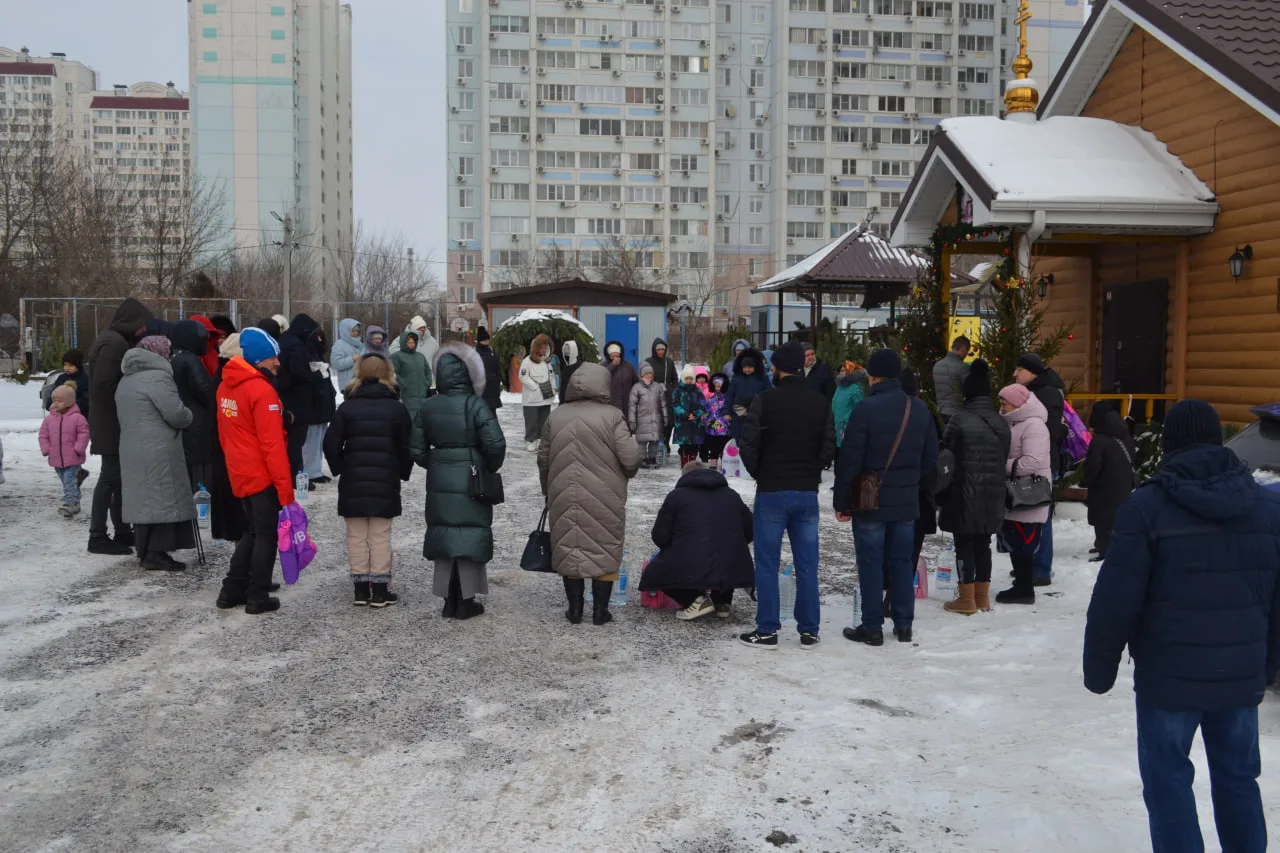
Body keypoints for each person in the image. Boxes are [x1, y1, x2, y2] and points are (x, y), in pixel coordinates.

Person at [1083, 400, 1280, 853]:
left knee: (1168, 783)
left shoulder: (1146, 509)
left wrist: (1099, 669)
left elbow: (1115, 600)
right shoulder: (1267, 510)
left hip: (1167, 682)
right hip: (1238, 679)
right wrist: (1265, 666)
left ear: (1170, 445)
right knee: (1238, 780)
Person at [834, 350, 938, 645]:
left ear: (873, 376)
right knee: (902, 562)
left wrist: (842, 502)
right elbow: (931, 458)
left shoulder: (866, 410)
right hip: (906, 500)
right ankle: (904, 625)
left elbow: (849, 461)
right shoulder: (918, 409)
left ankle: (872, 626)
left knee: (870, 562)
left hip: (869, 499)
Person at [738, 342, 837, 650]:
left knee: (767, 562)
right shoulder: (820, 403)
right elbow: (829, 445)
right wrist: (812, 470)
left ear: (779, 369)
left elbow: (748, 444)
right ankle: (809, 630)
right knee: (807, 563)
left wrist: (761, 473)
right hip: (806, 492)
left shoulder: (765, 400)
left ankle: (767, 629)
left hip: (772, 491)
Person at [538, 362, 642, 626]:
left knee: (570, 546)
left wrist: (548, 490)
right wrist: (624, 475)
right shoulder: (613, 416)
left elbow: (544, 459)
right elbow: (630, 459)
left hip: (562, 492)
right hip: (605, 494)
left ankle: (574, 611)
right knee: (604, 545)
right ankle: (600, 612)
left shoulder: (557, 415)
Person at [412, 343, 507, 620]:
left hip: (440, 476)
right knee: (468, 534)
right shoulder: (475, 405)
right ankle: (466, 600)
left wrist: (438, 463)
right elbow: (496, 444)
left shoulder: (428, 406)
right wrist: (487, 465)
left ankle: (447, 600)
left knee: (445, 534)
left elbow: (416, 449)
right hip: (472, 477)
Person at [215, 327, 295, 614]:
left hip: (239, 470)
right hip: (260, 474)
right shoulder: (262, 391)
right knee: (265, 535)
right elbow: (272, 446)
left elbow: (226, 434)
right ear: (259, 358)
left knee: (252, 531)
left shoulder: (226, 386)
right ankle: (257, 595)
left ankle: (231, 589)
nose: (277, 363)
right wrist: (284, 490)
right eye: (273, 358)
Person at [324, 353, 413, 608]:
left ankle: (361, 589)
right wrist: (401, 471)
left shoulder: (347, 407)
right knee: (380, 535)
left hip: (353, 479)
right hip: (385, 478)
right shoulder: (396, 408)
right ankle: (381, 590)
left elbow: (330, 443)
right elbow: (407, 445)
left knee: (356, 535)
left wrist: (341, 466)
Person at [937, 360, 1011, 615]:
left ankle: (966, 598)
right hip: (993, 493)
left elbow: (946, 453)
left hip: (964, 490)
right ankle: (982, 597)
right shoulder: (1001, 423)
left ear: (967, 394)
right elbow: (1003, 457)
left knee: (964, 542)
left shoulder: (959, 420)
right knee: (983, 542)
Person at [116, 335, 196, 572]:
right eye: (168, 351)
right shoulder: (158, 377)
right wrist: (190, 415)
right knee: (164, 499)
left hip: (132, 447)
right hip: (158, 449)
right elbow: (176, 414)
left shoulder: (127, 379)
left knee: (145, 501)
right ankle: (157, 552)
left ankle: (145, 550)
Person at [639, 461, 755, 621]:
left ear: (684, 477)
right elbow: (750, 530)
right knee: (725, 551)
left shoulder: (676, 496)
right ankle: (722, 602)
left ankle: (694, 600)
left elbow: (660, 536)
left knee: (656, 571)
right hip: (733, 565)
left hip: (693, 561)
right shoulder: (731, 495)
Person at [87, 297, 153, 555]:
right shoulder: (114, 344)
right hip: (111, 425)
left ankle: (123, 531)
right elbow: (104, 386)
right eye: (141, 324)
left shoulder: (113, 340)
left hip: (111, 423)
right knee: (110, 479)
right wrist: (130, 397)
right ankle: (98, 535)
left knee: (119, 480)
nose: (143, 330)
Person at [995, 382, 1052, 605]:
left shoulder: (1034, 426)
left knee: (1023, 544)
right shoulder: (1015, 423)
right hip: (1016, 495)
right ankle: (1021, 584)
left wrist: (1001, 465)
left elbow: (1033, 461)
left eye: (1004, 403)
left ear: (1017, 404)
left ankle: (1024, 589)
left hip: (1028, 494)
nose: (1001, 407)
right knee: (1016, 542)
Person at [1014, 352, 1067, 587]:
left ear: (1032, 372)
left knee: (1039, 517)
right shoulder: (1040, 391)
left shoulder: (1045, 394)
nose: (1015, 373)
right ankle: (1031, 566)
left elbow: (1052, 431)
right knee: (1030, 515)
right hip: (1038, 461)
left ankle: (1041, 569)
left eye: (1020, 370)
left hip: (1042, 463)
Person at [275, 314, 330, 477]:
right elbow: (298, 371)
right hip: (297, 398)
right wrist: (316, 376)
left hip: (286, 394)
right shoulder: (297, 345)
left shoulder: (285, 340)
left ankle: (296, 472)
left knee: (291, 438)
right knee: (297, 440)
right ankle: (297, 474)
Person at [1082, 402, 1137, 561]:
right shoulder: (1124, 435)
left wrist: (1087, 480)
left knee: (1102, 518)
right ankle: (1107, 545)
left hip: (1103, 484)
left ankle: (1104, 549)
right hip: (1123, 481)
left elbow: (1093, 465)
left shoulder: (1099, 440)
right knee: (1115, 516)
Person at [170, 320, 217, 492]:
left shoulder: (174, 359)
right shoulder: (191, 361)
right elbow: (205, 390)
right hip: (198, 425)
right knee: (200, 474)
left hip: (185, 423)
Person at [209, 334, 245, 543]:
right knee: (232, 493)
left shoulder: (221, 374)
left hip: (223, 442)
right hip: (229, 444)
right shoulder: (229, 376)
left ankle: (232, 532)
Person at [40, 385, 90, 517]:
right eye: (54, 400)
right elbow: (43, 435)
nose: (55, 403)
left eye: (60, 401)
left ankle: (70, 503)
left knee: (69, 481)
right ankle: (76, 499)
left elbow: (84, 434)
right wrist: (46, 448)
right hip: (56, 458)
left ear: (68, 402)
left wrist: (78, 448)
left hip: (73, 457)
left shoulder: (78, 418)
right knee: (67, 481)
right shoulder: (49, 419)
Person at [519, 333, 556, 452]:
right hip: (531, 399)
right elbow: (523, 377)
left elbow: (552, 377)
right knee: (531, 421)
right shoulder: (527, 361)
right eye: (541, 347)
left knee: (543, 421)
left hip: (546, 398)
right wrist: (535, 387)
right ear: (535, 348)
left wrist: (553, 389)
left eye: (545, 347)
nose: (544, 350)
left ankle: (541, 439)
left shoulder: (547, 362)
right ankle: (531, 440)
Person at [628, 362, 670, 468]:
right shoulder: (636, 388)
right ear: (642, 375)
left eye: (650, 373)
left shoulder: (657, 387)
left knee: (654, 441)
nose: (649, 375)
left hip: (656, 419)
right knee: (642, 442)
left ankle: (652, 458)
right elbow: (632, 405)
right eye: (646, 373)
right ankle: (643, 459)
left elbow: (663, 404)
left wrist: (665, 417)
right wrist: (632, 420)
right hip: (642, 419)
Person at [724, 346, 768, 442]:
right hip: (738, 413)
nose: (747, 369)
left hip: (756, 412)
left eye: (750, 367)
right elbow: (730, 395)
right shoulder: (736, 378)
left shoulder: (762, 378)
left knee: (755, 438)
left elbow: (768, 394)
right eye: (745, 367)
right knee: (739, 437)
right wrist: (726, 411)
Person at [391, 329, 433, 423]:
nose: (412, 344)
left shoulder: (420, 356)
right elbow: (393, 373)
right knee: (409, 422)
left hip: (422, 396)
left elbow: (427, 370)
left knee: (422, 423)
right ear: (403, 342)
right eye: (409, 342)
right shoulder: (397, 356)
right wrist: (403, 385)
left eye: (413, 342)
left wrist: (427, 383)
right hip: (406, 396)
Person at [832, 361, 868, 466]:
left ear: (850, 372)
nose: (841, 372)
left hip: (848, 431)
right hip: (837, 430)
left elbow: (860, 410)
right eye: (841, 370)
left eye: (844, 370)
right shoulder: (839, 387)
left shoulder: (855, 389)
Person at [645, 338, 679, 446]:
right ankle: (654, 446)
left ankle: (665, 443)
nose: (661, 351)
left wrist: (669, 388)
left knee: (668, 423)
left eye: (663, 349)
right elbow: (643, 380)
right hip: (653, 398)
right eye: (658, 349)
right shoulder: (648, 362)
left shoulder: (669, 362)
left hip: (667, 397)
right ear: (654, 350)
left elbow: (675, 380)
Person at [670, 365, 706, 468]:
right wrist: (686, 415)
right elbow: (675, 405)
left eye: (691, 378)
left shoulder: (698, 391)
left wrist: (695, 414)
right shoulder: (678, 391)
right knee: (684, 447)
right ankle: (685, 465)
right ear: (683, 379)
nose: (689, 380)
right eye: (687, 378)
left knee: (694, 446)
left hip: (695, 423)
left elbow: (703, 404)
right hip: (682, 423)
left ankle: (693, 464)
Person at [932, 336, 971, 424]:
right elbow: (969, 389)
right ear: (963, 349)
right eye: (967, 351)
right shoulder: (962, 367)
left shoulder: (937, 365)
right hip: (956, 412)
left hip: (940, 411)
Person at [42, 348, 90, 416]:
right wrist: (52, 405)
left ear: (78, 365)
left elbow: (86, 401)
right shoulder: (61, 378)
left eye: (70, 365)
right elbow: (53, 395)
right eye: (65, 365)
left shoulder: (84, 380)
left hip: (77, 417)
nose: (67, 368)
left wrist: (67, 407)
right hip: (58, 417)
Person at [700, 372, 732, 466]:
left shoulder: (727, 399)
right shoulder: (711, 399)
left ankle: (724, 463)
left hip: (724, 428)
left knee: (723, 446)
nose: (717, 388)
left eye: (719, 386)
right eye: (715, 386)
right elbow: (706, 411)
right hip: (712, 427)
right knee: (713, 446)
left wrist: (727, 422)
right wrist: (706, 420)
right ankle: (713, 462)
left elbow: (729, 412)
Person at [604, 341, 639, 415]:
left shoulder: (628, 365)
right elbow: (603, 377)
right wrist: (613, 365)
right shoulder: (604, 366)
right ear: (608, 355)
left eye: (617, 356)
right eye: (612, 356)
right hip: (611, 402)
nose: (615, 358)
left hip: (627, 401)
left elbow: (635, 381)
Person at [474, 326, 504, 412]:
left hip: (493, 388)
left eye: (487, 340)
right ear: (480, 341)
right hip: (482, 389)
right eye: (484, 340)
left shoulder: (492, 352)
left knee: (492, 413)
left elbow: (497, 366)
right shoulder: (475, 354)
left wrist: (498, 378)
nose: (487, 342)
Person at [330, 318, 364, 390]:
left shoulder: (360, 344)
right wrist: (352, 359)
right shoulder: (339, 345)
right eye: (353, 331)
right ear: (345, 331)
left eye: (357, 331)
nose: (356, 333)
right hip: (348, 384)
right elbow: (335, 363)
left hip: (362, 382)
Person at [559, 339, 583, 404]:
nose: (567, 353)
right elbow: (563, 385)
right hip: (565, 400)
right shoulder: (565, 367)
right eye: (565, 350)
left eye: (569, 350)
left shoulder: (580, 366)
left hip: (575, 400)